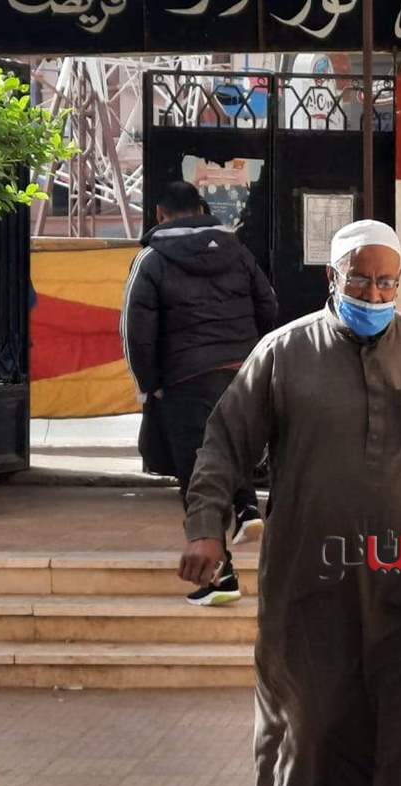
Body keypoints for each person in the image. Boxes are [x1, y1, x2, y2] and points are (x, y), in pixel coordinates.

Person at [177, 220, 401, 786]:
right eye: (360, 280)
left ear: (400, 283)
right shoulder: (283, 353)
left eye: (386, 282)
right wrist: (206, 527)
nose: (373, 293)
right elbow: (224, 442)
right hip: (311, 590)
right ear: (332, 278)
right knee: (305, 730)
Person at [121, 180, 277, 605]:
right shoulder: (237, 251)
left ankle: (221, 580)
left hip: (186, 379)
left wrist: (150, 384)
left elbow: (136, 329)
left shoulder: (152, 259)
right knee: (233, 446)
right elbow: (268, 305)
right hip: (242, 371)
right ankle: (245, 507)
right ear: (203, 209)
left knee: (197, 474)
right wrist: (253, 358)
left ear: (159, 214)